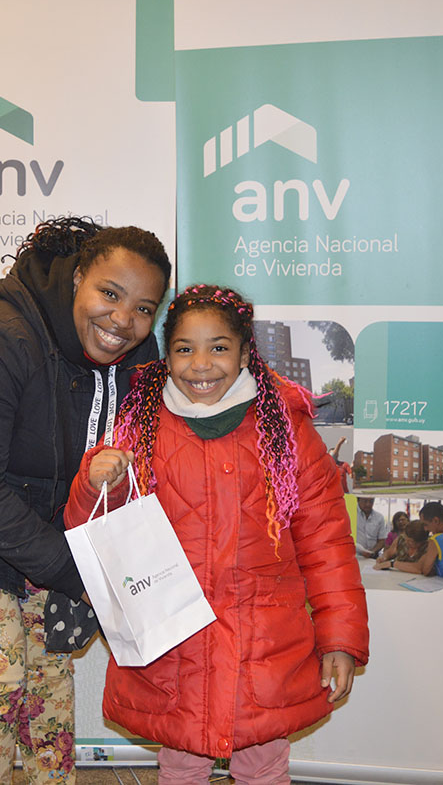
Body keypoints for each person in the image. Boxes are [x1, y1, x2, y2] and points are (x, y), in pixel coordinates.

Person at [0, 217, 170, 783]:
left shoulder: (135, 356)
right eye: (110, 294)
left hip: (45, 512)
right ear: (76, 282)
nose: (123, 320)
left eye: (144, 308)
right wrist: (78, 573)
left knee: (46, 667)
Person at [65, 285, 368, 784]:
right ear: (165, 357)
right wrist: (97, 480)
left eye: (219, 347)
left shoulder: (287, 433)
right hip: (176, 647)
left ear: (247, 352)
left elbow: (327, 544)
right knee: (181, 764)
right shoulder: (139, 426)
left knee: (263, 766)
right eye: (184, 349)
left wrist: (341, 637)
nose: (200, 364)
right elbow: (94, 529)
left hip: (266, 646)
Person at [375, 502, 443, 578]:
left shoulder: (436, 540)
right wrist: (384, 558)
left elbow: (423, 569)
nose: (426, 529)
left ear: (436, 520)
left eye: (426, 524)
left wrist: (392, 564)